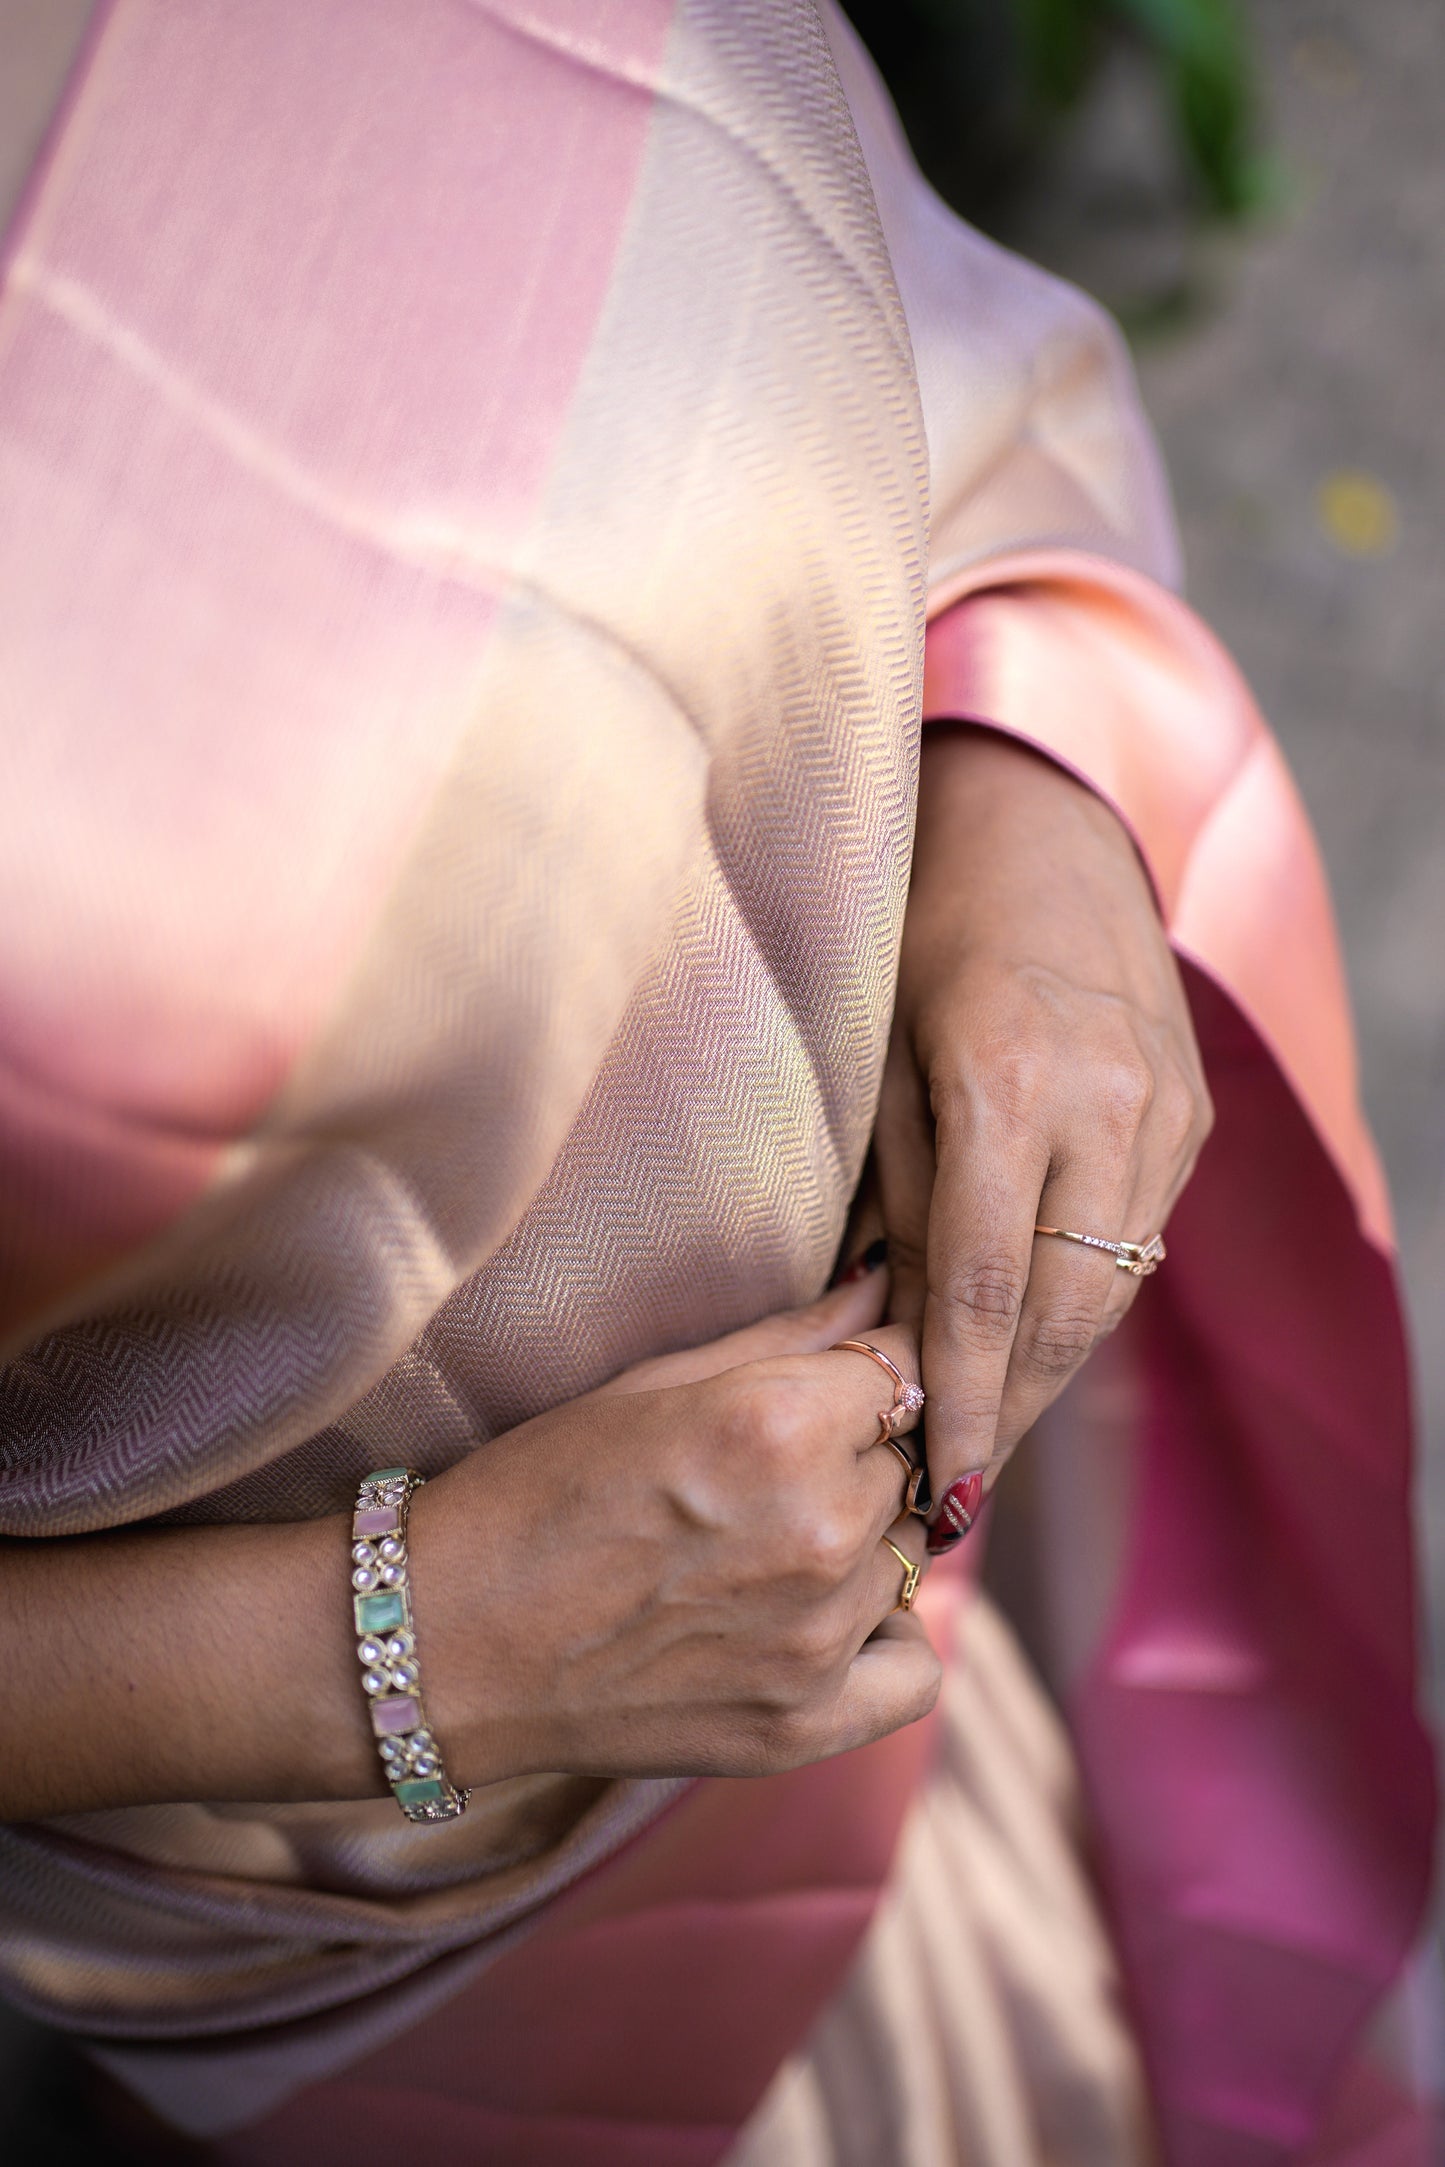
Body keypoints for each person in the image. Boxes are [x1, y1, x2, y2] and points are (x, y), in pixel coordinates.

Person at [0, 2, 1433, 2160]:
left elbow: (841, 259)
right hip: (385, 1890)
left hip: (890, 1613)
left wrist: (1015, 770)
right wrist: (421, 1649)